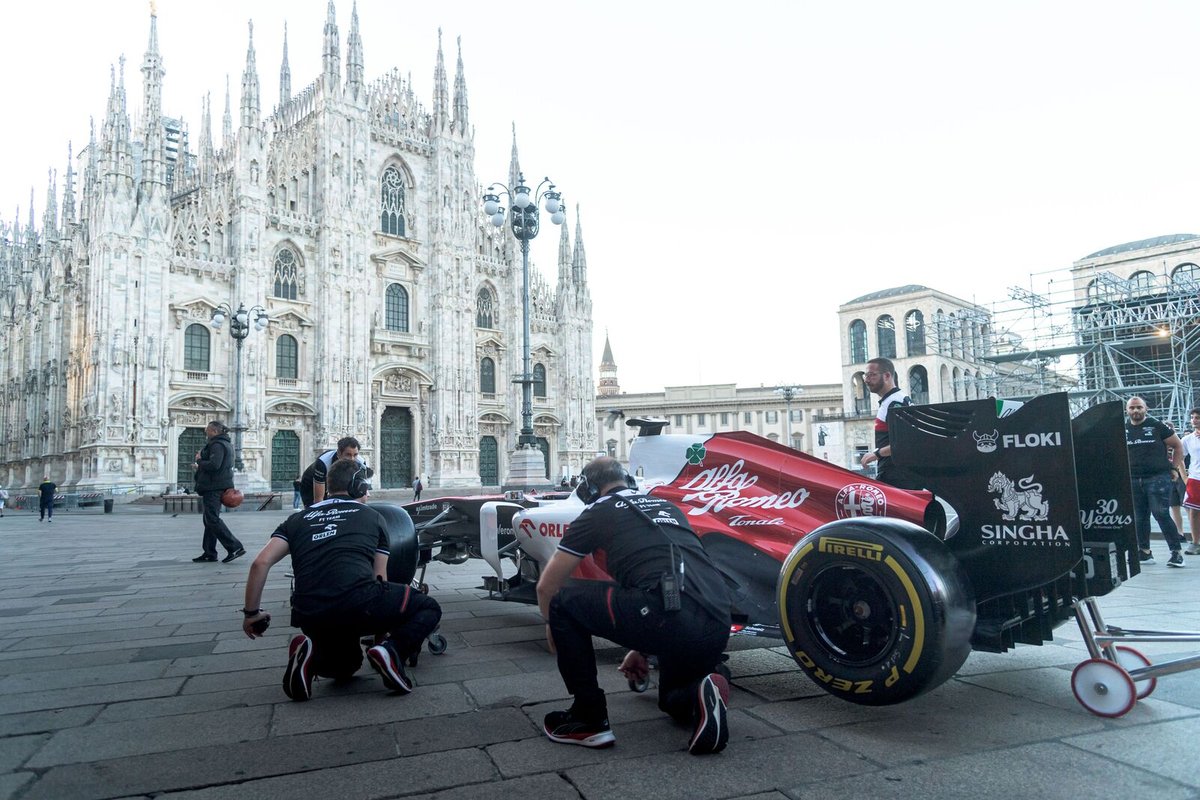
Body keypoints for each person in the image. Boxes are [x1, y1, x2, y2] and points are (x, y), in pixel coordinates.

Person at [536, 456, 733, 755]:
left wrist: (552, 623)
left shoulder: (598, 511)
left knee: (563, 604)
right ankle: (705, 688)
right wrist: (642, 647)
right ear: (629, 481)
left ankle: (588, 718)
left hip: (665, 615)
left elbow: (547, 585)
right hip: (717, 620)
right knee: (671, 700)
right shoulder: (668, 508)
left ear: (588, 489)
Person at [240, 459, 443, 701]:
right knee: (429, 607)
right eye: (365, 485)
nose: (367, 491)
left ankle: (311, 657)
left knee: (346, 667)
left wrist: (251, 614)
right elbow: (380, 580)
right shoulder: (372, 516)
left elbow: (260, 563)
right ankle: (392, 652)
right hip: (359, 603)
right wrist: (384, 642)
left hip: (309, 613)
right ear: (358, 487)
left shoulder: (298, 519)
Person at [1125, 397, 1186, 567]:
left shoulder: (1157, 426)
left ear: (1146, 409)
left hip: (1157, 477)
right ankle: (1144, 552)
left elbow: (1178, 446)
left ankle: (1176, 553)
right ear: (1127, 410)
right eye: (1132, 408)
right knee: (1140, 516)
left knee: (1161, 514)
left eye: (1139, 407)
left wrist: (1174, 468)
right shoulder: (1122, 428)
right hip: (1133, 478)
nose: (1135, 411)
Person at [857, 357, 922, 489]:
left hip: (898, 478)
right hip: (898, 476)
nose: (867, 380)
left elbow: (906, 443)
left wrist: (876, 454)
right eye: (865, 376)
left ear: (887, 376)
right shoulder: (894, 400)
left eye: (871, 375)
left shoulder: (895, 403)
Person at [191, 420, 246, 564]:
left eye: (207, 429)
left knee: (212, 519)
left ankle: (235, 547)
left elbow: (215, 465)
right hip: (216, 484)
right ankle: (209, 552)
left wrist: (199, 461)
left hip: (213, 487)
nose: (205, 432)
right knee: (209, 520)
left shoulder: (217, 444)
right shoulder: (225, 444)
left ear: (215, 431)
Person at [299, 437, 364, 507]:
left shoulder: (361, 463)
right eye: (348, 455)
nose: (352, 459)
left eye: (355, 455)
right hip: (311, 484)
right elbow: (318, 499)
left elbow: (361, 495)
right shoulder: (323, 462)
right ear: (339, 453)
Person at [1182, 408, 1200, 555]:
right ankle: (1195, 542)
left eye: (1197, 418)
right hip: (1195, 478)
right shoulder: (1188, 439)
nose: (1194, 420)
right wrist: (1184, 477)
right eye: (1192, 417)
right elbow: (1178, 456)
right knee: (1193, 511)